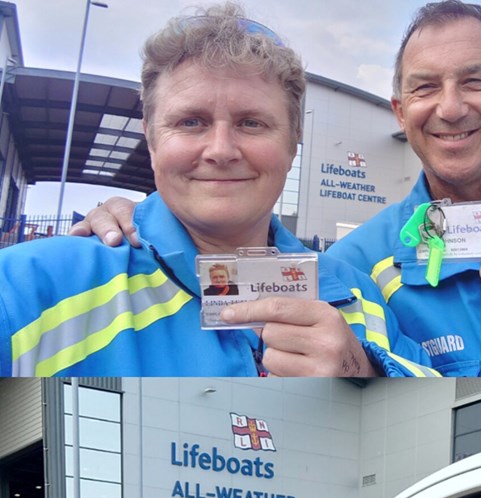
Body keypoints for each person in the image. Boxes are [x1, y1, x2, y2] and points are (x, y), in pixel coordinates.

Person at [82, 2, 481, 377]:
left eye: (475, 82)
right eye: (426, 89)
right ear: (401, 112)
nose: (451, 108)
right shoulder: (357, 270)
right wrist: (158, 224)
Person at [0, 4, 437, 379]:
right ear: (151, 139)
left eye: (252, 123)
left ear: (292, 141)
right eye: (191, 122)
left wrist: (365, 369)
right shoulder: (29, 287)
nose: (222, 150)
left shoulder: (359, 296)